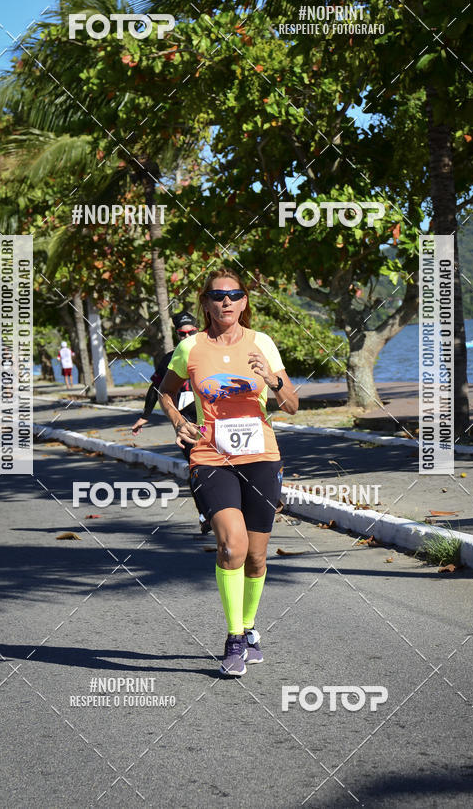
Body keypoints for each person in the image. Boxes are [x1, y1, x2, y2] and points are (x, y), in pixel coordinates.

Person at [158, 268, 298, 677]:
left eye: (234, 295)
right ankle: (234, 637)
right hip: (209, 456)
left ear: (245, 302)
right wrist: (176, 420)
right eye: (218, 296)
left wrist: (270, 378)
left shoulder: (263, 343)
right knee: (232, 546)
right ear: (205, 302)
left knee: (256, 557)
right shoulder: (191, 349)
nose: (226, 302)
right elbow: (166, 391)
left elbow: (291, 405)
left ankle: (251, 628)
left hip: (261, 456)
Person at [131, 311, 210, 531]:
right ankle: (205, 514)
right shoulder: (170, 358)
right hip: (186, 422)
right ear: (176, 334)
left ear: (198, 329)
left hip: (211, 421)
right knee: (196, 466)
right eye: (181, 334)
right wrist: (145, 416)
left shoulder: (211, 353)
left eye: (191, 332)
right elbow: (156, 388)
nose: (186, 337)